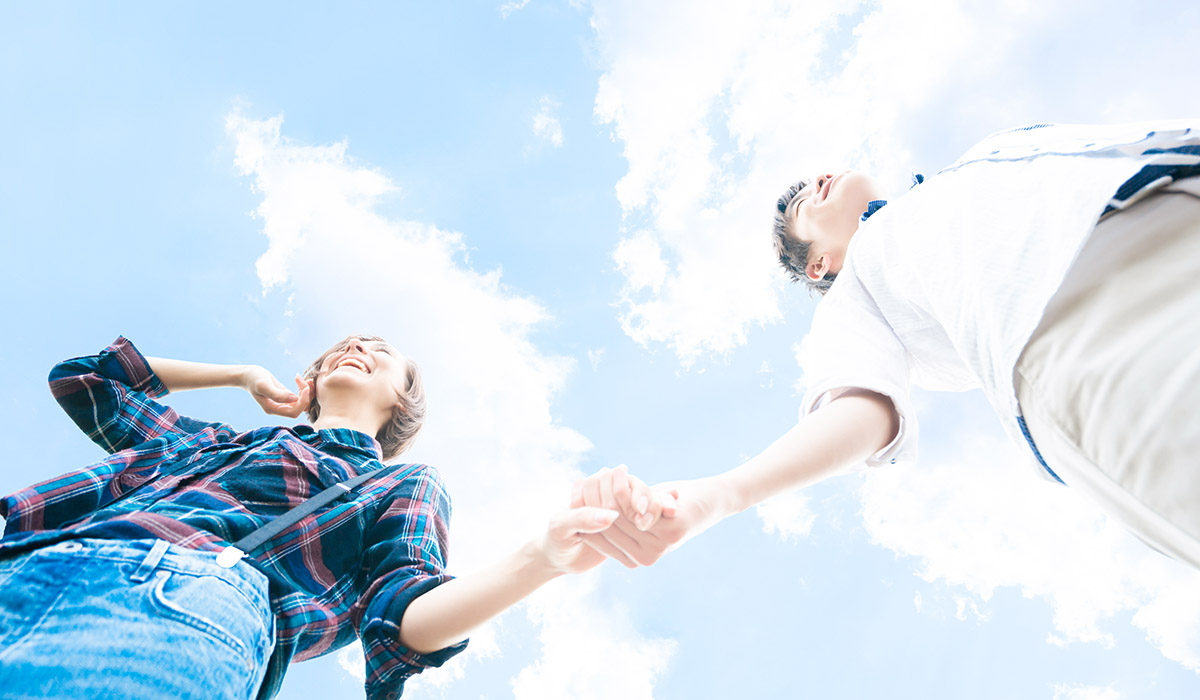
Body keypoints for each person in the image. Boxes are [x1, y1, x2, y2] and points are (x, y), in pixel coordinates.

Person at [572, 120, 1200, 573]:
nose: (816, 181)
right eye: (800, 207)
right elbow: (862, 410)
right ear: (820, 266)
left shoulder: (985, 158)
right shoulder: (859, 290)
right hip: (1094, 335)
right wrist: (721, 495)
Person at [0, 335, 622, 700]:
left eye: (378, 352)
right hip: (28, 563)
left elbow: (405, 617)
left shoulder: (400, 482)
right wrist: (243, 376)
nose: (355, 347)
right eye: (343, 346)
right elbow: (86, 380)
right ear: (315, 379)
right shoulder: (214, 443)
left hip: (178, 601)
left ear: (400, 398)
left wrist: (542, 559)